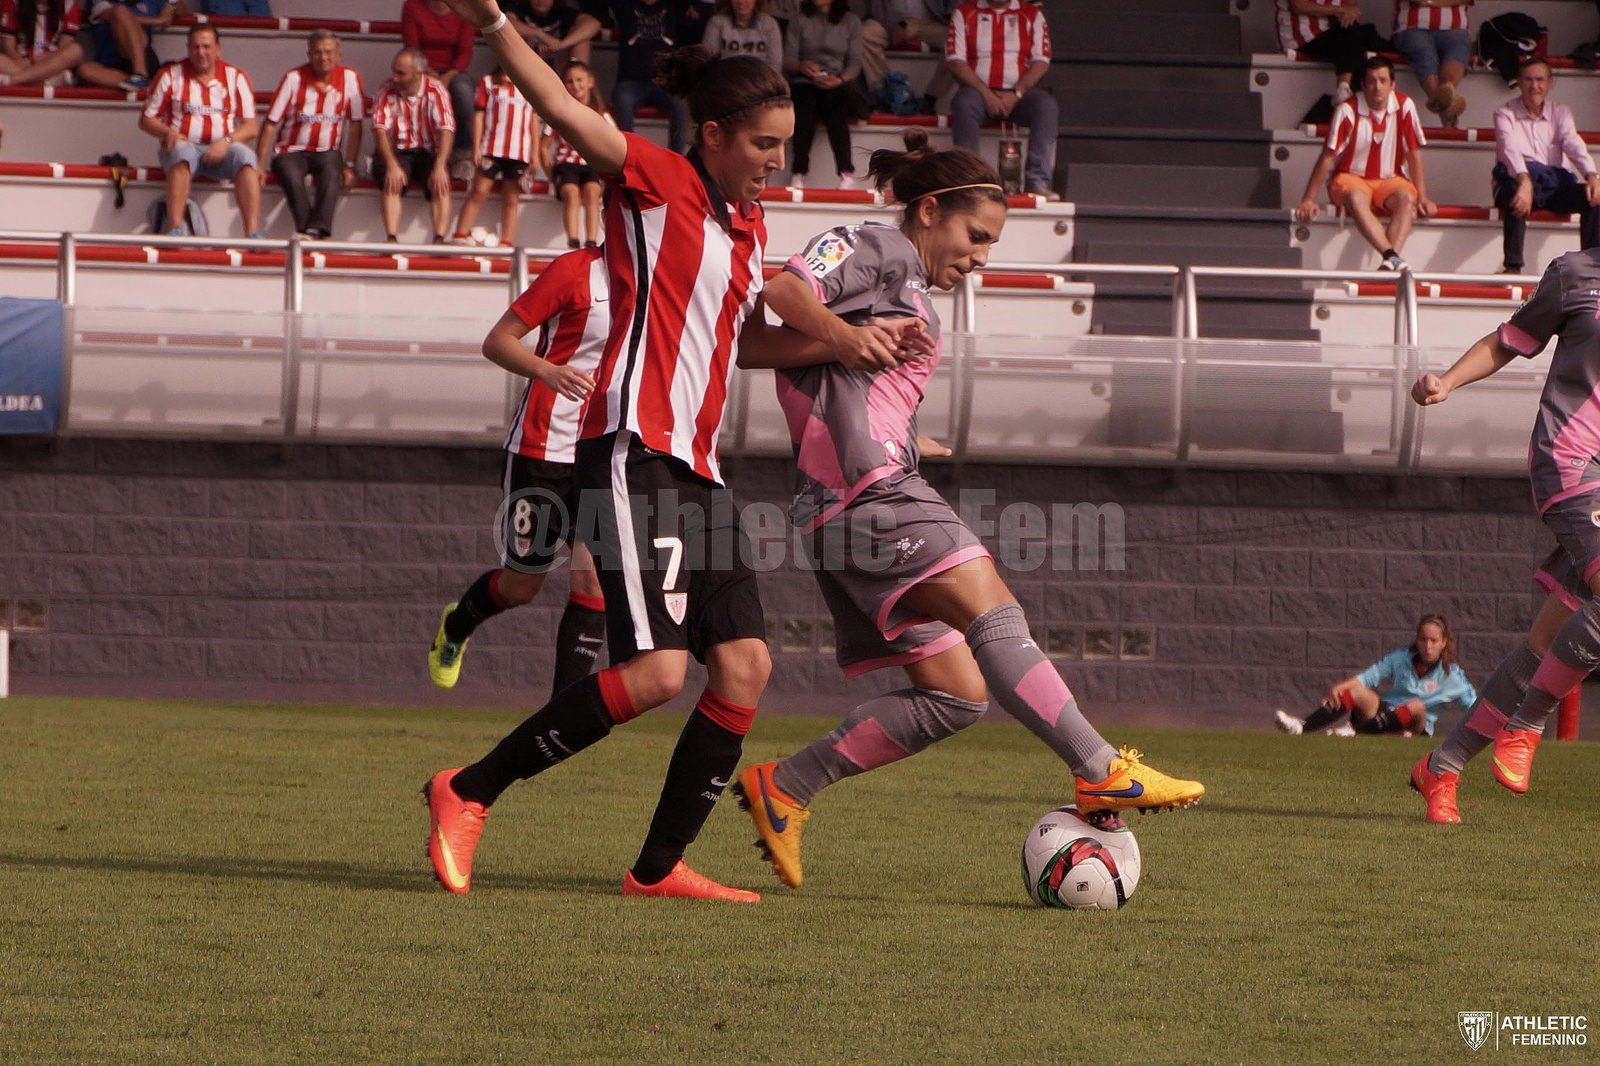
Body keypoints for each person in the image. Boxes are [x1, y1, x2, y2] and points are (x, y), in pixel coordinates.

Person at [421, 0, 822, 902]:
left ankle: (658, 868)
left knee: (748, 666)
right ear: (713, 135)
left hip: (700, 469)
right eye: (764, 143)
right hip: (633, 454)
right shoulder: (660, 179)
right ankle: (467, 790)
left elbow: (738, 344)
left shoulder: (750, 231)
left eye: (784, 144)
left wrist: (847, 343)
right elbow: (564, 116)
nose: (776, 161)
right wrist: (493, 24)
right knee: (654, 675)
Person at [729, 132, 1205, 889]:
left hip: (855, 496)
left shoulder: (910, 292)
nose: (983, 255)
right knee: (991, 601)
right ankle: (1098, 766)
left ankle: (785, 788)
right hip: (869, 492)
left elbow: (779, 356)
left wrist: (904, 426)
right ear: (929, 210)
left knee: (956, 695)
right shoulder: (877, 245)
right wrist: (851, 339)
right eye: (976, 235)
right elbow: (779, 301)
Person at [1407, 249, 1600, 822]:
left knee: (1543, 646)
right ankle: (1528, 725)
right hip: (1571, 462)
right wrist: (1446, 381)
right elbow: (1509, 338)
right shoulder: (1576, 275)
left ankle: (1441, 768)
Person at [430, 246, 609, 694]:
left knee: (594, 579)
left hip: (603, 451)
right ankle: (458, 623)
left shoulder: (661, 277)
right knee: (520, 587)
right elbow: (498, 341)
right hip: (542, 450)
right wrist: (546, 370)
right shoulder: (576, 270)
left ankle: (561, 714)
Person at [1293, 56, 1436, 272]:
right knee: (1356, 197)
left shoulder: (1405, 106)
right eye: (1371, 81)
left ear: (1392, 84)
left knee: (1407, 198)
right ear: (1362, 84)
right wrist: (1308, 199)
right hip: (1350, 178)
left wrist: (1423, 196)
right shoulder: (1347, 111)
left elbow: (1414, 154)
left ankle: (1390, 263)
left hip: (1390, 178)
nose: (1377, 87)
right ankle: (1392, 256)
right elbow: (1327, 157)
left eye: (1382, 80)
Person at [137, 24, 263, 238]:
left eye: (206, 46)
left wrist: (226, 141)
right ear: (188, 48)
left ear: (218, 48)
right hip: (184, 146)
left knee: (247, 158)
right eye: (195, 47)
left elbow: (251, 126)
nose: (201, 53)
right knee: (181, 151)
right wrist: (168, 133)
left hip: (222, 148)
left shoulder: (236, 77)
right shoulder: (170, 75)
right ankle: (175, 228)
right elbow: (146, 119)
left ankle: (253, 234)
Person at [1273, 614, 1476, 737]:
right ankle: (1303, 727)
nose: (1428, 645)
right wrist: (1340, 688)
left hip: (1414, 728)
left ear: (1443, 643)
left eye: (1433, 640)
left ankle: (1356, 731)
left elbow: (1475, 706)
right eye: (1423, 639)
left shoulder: (1453, 676)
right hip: (1385, 714)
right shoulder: (1402, 658)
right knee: (1359, 692)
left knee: (1417, 706)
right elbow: (1370, 676)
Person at [1492, 58, 1600, 276]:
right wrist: (1524, 181)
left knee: (1594, 197)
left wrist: (1591, 175)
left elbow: (1572, 143)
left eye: (1540, 80)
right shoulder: (1504, 114)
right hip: (1516, 181)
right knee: (1516, 192)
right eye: (1528, 80)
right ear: (1519, 82)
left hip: (1551, 186)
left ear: (1550, 83)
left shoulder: (1561, 112)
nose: (1535, 86)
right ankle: (1512, 267)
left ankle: (1592, 268)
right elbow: (1509, 149)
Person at [257, 30, 366, 240]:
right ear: (309, 55)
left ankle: (317, 229)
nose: (323, 57)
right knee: (290, 174)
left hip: (327, 151)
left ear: (338, 55)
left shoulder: (350, 78)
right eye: (317, 52)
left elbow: (356, 124)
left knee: (332, 171)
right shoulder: (293, 78)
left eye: (328, 52)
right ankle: (308, 229)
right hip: (291, 150)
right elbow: (270, 124)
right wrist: (260, 166)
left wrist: (350, 165)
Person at [945, 0, 1057, 198]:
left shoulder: (1031, 14)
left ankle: (1037, 182)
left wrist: (1016, 94)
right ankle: (969, 180)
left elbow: (1041, 62)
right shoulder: (965, 12)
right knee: (962, 103)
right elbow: (955, 61)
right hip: (978, 93)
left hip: (1020, 95)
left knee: (1046, 106)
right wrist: (987, 94)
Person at [582, 0, 691, 154]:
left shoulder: (673, 5)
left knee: (681, 100)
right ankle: (627, 155)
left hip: (664, 82)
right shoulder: (626, 5)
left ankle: (676, 158)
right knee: (622, 98)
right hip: (632, 82)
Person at [371, 47, 456, 243]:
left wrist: (441, 166)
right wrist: (392, 165)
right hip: (397, 151)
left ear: (418, 74)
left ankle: (439, 239)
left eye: (401, 73)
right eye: (394, 71)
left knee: (441, 183)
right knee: (391, 179)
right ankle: (391, 237)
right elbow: (379, 130)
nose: (395, 78)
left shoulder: (436, 90)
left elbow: (446, 129)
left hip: (428, 151)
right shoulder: (385, 89)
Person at [451, 64, 537, 244]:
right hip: (492, 148)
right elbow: (479, 116)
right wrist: (477, 147)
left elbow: (534, 121)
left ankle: (506, 242)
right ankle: (459, 234)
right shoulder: (488, 82)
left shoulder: (529, 85)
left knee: (511, 198)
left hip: (518, 152)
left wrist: (534, 154)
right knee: (479, 190)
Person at [783, 0, 860, 189]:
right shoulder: (798, 20)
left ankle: (846, 172)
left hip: (836, 81)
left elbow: (855, 62)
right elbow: (788, 61)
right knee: (804, 110)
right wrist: (802, 67)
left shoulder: (851, 21)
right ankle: (798, 172)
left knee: (835, 109)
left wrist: (840, 79)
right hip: (804, 80)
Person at [535, 59, 612, 248]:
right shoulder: (559, 113)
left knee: (593, 192)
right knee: (571, 192)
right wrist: (551, 176)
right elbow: (544, 146)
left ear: (590, 82)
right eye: (570, 81)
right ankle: (573, 240)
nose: (575, 85)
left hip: (591, 164)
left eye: (579, 80)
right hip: (566, 164)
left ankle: (592, 241)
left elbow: (613, 141)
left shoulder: (601, 115)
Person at [1273, 0, 1390, 112]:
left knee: (1367, 33)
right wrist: (1339, 10)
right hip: (1304, 38)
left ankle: (1361, 98)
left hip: (1338, 34)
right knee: (1350, 34)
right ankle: (1344, 91)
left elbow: (1351, 5)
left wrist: (1349, 10)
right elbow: (1298, 5)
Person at [401, 0, 477, 156]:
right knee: (408, 86)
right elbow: (412, 48)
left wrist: (449, 75)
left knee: (463, 92)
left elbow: (465, 52)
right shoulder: (412, 6)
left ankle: (463, 152)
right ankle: (411, 150)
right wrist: (427, 72)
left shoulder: (465, 8)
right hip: (420, 68)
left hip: (454, 72)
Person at [1391, 0, 1469, 128]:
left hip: (1455, 30)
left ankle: (1442, 102)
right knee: (1423, 51)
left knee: (1459, 45)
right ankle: (1446, 108)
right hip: (1412, 28)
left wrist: (1429, 2)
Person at [862, 0, 951, 108]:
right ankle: (884, 94)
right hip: (890, 18)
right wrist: (895, 24)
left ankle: (931, 98)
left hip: (931, 20)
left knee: (960, 42)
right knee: (865, 35)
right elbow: (875, 6)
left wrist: (953, 15)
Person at [74, 0, 176, 92]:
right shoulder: (99, 3)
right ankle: (147, 83)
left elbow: (178, 6)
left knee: (121, 11)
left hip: (142, 58)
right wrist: (160, 20)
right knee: (84, 71)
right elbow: (111, 15)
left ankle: (140, 73)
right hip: (112, 65)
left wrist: (169, 8)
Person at [0, 0, 84, 88]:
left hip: (52, 64)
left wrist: (33, 61)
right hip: (19, 62)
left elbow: (63, 49)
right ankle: (45, 82)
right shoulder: (12, 2)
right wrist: (27, 63)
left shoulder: (69, 4)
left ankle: (12, 79)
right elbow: (9, 49)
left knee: (76, 51)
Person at [503, 0, 589, 68]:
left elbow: (592, 23)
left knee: (582, 41)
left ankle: (578, 81)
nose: (541, 1)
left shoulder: (563, 11)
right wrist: (540, 35)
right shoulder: (519, 8)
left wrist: (561, 45)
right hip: (528, 65)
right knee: (515, 36)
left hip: (562, 66)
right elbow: (506, 23)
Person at [701, 0, 781, 69]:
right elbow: (707, 61)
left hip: (759, 83)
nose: (741, 1)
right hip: (725, 81)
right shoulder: (716, 22)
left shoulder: (769, 23)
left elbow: (775, 65)